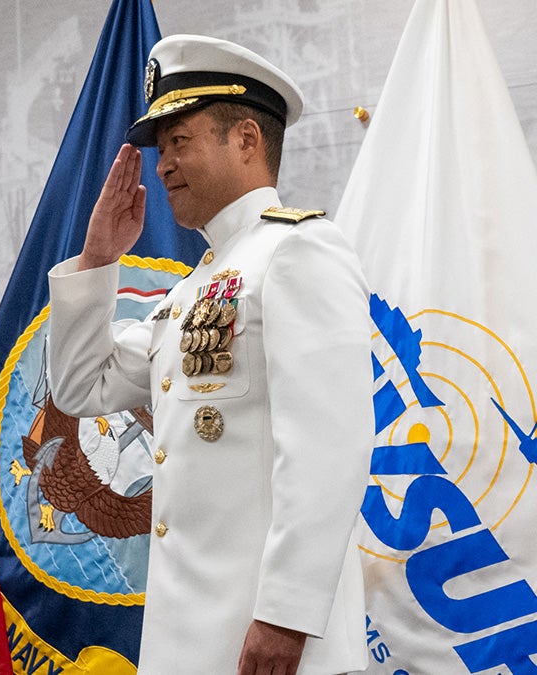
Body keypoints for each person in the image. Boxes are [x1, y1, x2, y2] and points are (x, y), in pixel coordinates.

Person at [45, 35, 374, 674]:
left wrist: (288, 613)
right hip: (190, 644)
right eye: (159, 148)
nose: (162, 165)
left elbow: (327, 449)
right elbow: (81, 388)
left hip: (274, 643)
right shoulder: (192, 291)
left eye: (179, 142)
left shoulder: (297, 252)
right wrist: (96, 263)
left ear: (246, 140)